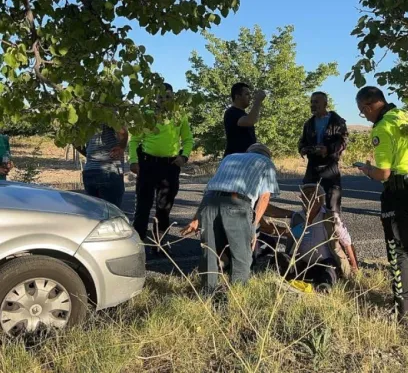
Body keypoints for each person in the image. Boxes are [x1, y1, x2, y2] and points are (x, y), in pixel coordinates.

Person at [354, 86, 408, 320]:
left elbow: (383, 173)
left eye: (363, 113)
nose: (366, 117)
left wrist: (367, 169)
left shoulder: (383, 126)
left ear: (368, 106)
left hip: (399, 192)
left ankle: (403, 311)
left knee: (397, 251)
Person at [180, 143, 280, 291]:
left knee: (211, 251)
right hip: (236, 204)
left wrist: (196, 218)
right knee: (241, 256)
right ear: (267, 155)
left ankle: (208, 292)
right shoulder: (266, 163)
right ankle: (238, 294)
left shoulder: (230, 157)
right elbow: (264, 198)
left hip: (210, 202)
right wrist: (253, 227)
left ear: (248, 151)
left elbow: (210, 190)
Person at [260, 184, 359, 292]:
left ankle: (323, 288)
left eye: (310, 197)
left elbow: (346, 241)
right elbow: (289, 233)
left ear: (319, 200)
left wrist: (354, 266)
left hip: (324, 264)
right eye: (304, 197)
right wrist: (262, 221)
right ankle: (283, 283)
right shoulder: (298, 217)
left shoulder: (330, 218)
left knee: (330, 266)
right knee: (281, 258)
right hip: (302, 264)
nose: (306, 202)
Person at [129, 83, 194, 246]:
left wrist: (184, 157)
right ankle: (137, 245)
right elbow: (134, 140)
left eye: (168, 97)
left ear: (173, 98)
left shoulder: (180, 115)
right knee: (143, 207)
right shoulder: (146, 115)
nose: (164, 100)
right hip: (148, 165)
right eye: (160, 97)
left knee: (164, 208)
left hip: (170, 166)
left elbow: (188, 140)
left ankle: (160, 245)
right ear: (155, 98)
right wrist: (133, 161)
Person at [298, 91, 349, 214]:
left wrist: (328, 149)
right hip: (312, 167)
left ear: (325, 104)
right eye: (311, 102)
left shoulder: (337, 121)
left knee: (332, 206)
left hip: (330, 166)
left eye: (316, 102)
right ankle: (311, 231)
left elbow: (343, 142)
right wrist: (302, 149)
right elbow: (302, 141)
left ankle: (334, 231)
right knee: (308, 203)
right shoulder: (309, 124)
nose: (312, 105)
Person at [75, 125, 128, 207]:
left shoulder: (84, 115)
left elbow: (74, 141)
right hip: (109, 170)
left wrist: (90, 155)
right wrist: (121, 146)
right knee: (111, 213)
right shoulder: (110, 113)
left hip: (89, 170)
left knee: (94, 213)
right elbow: (122, 132)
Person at [223, 83, 266, 157]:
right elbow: (250, 121)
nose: (250, 97)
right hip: (235, 160)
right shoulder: (231, 112)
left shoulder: (243, 115)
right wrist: (258, 101)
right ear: (237, 96)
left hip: (245, 160)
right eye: (247, 94)